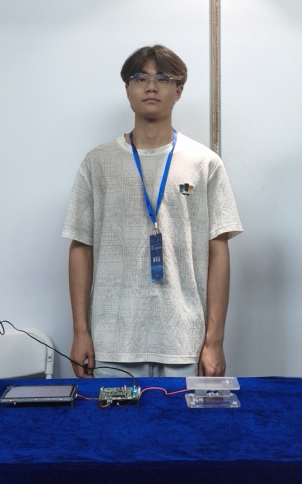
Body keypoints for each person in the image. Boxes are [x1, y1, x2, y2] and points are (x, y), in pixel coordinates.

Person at [62, 45, 242, 379]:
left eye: (163, 78)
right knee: (110, 418)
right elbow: (80, 246)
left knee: (184, 417)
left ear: (179, 91)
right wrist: (80, 332)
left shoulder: (204, 163)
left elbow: (218, 250)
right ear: (127, 90)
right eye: (140, 78)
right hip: (111, 345)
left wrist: (214, 341)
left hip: (185, 344)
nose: (151, 86)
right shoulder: (97, 163)